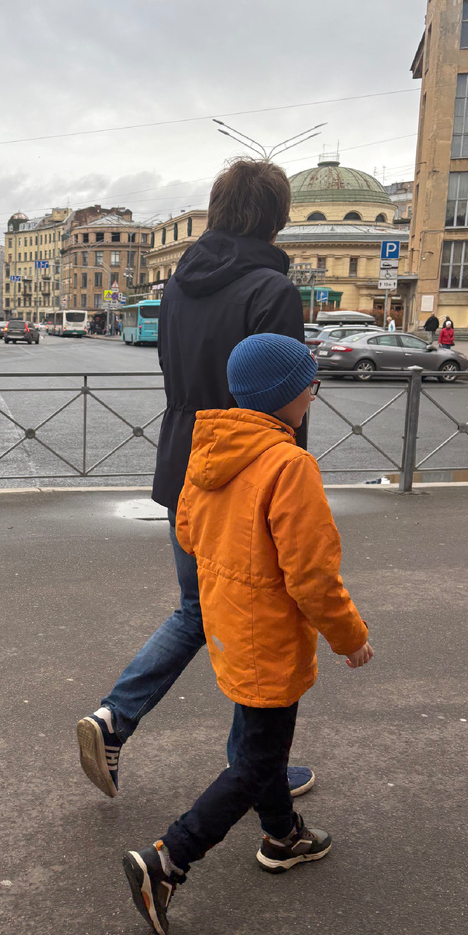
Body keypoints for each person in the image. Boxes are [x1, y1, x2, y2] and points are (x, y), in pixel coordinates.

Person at [77, 159, 316, 799]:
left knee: (202, 608)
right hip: (248, 466)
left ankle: (116, 720)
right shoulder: (274, 292)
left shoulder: (180, 284)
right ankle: (254, 769)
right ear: (276, 217)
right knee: (256, 616)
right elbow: (282, 398)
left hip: (186, 460)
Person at [122, 334, 373, 935]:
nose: (314, 393)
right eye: (312, 383)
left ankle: (283, 835)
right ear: (290, 395)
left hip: (230, 624)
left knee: (264, 742)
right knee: (258, 757)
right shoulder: (289, 465)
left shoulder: (209, 447)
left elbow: (186, 530)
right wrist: (349, 637)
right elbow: (313, 576)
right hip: (272, 640)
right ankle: (171, 859)